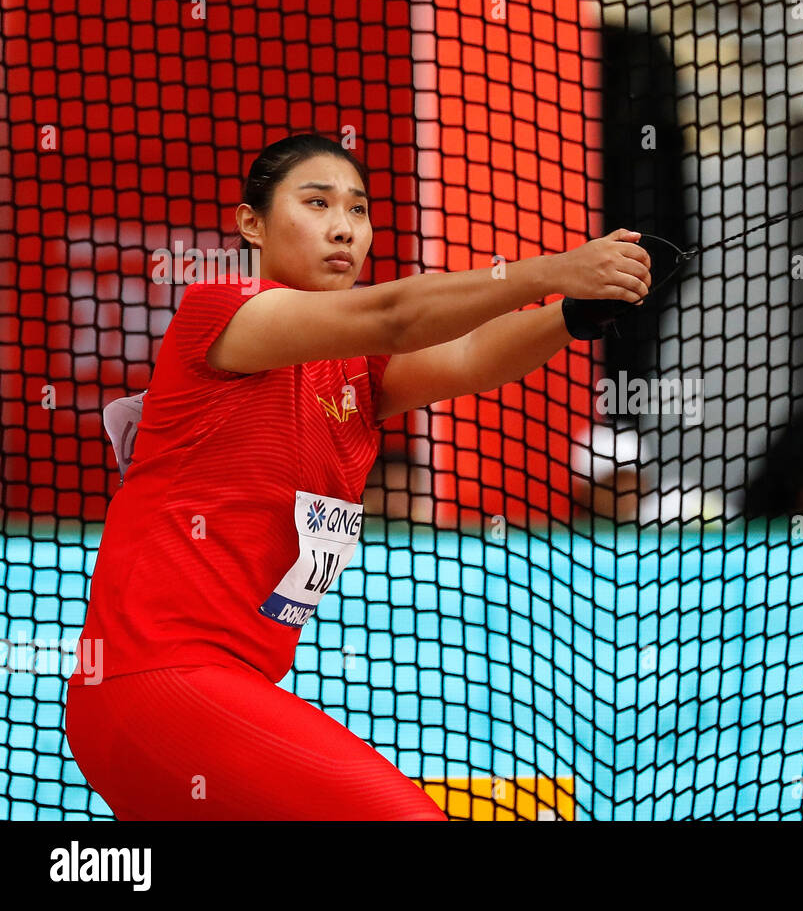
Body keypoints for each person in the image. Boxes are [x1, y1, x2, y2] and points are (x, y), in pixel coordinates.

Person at [63, 133, 652, 820]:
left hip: (207, 704)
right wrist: (557, 269)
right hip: (162, 684)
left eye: (359, 209)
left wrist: (570, 315)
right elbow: (394, 315)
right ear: (250, 223)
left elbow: (468, 358)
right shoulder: (221, 310)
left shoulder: (353, 373)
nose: (344, 226)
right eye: (316, 203)